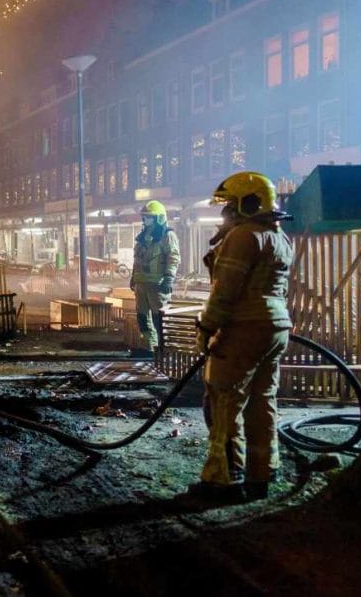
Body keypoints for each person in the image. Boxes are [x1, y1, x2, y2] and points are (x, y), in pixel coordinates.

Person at [190, 171, 293, 503]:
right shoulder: (280, 237)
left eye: (230, 206)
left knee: (224, 400)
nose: (225, 214)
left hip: (243, 329)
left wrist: (206, 328)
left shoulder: (244, 236)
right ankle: (262, 473)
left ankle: (223, 479)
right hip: (275, 329)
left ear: (248, 204)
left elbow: (225, 291)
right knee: (263, 400)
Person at [129, 200, 180, 354]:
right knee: (143, 319)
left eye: (149, 217)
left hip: (158, 285)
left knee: (160, 320)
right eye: (144, 217)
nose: (145, 220)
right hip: (141, 285)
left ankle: (163, 351)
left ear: (159, 218)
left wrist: (169, 277)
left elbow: (174, 257)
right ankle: (149, 348)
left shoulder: (168, 235)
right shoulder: (142, 237)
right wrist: (133, 277)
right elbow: (137, 259)